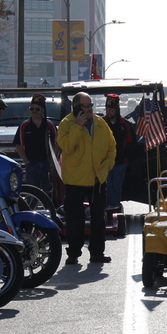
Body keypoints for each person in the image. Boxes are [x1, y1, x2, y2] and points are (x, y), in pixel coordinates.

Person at [57, 92, 116, 265]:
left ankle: (97, 253)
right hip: (75, 179)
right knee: (75, 219)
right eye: (86, 106)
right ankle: (74, 253)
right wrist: (77, 126)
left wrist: (107, 166)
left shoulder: (100, 123)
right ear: (76, 108)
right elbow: (67, 147)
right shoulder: (67, 124)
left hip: (97, 178)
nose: (90, 109)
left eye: (91, 105)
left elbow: (112, 146)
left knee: (99, 218)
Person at [14, 93, 57, 197]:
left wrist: (52, 160)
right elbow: (18, 145)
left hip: (47, 163)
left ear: (42, 110)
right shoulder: (24, 126)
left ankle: (49, 211)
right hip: (32, 164)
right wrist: (26, 161)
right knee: (32, 193)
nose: (34, 111)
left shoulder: (50, 125)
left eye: (37, 109)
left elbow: (57, 142)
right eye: (32, 108)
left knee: (49, 192)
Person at [103, 94, 137, 208]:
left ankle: (114, 206)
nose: (109, 112)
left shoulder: (125, 125)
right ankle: (114, 205)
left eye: (112, 110)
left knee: (116, 186)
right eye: (108, 110)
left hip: (120, 162)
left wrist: (126, 158)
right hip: (104, 161)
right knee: (107, 185)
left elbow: (131, 144)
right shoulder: (101, 124)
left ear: (116, 110)